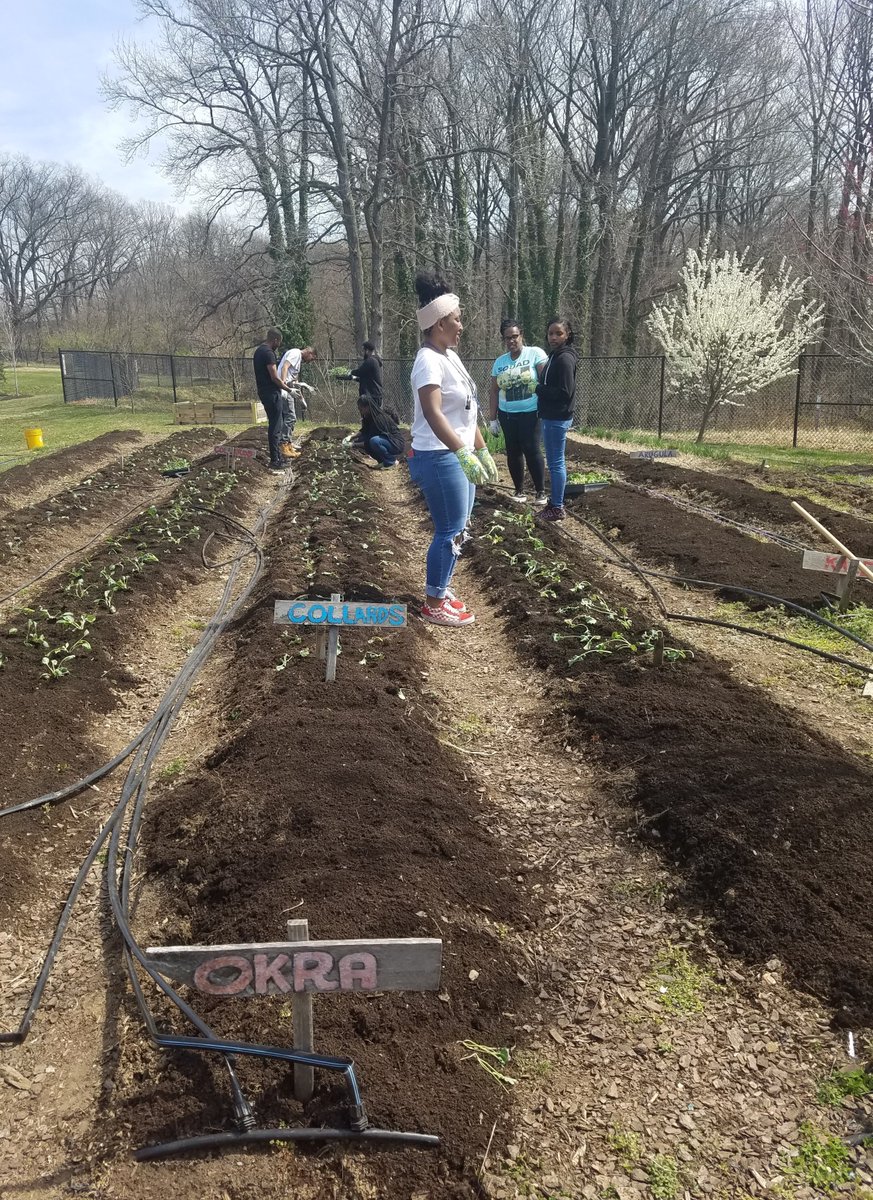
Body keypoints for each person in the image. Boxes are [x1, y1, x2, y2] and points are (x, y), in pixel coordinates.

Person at [408, 271, 499, 627]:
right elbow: (432, 413)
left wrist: (481, 449)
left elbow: (466, 410)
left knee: (461, 527)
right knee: (449, 529)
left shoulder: (450, 356)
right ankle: (432, 602)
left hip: (457, 452)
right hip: (438, 455)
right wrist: (462, 452)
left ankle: (442, 588)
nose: (461, 326)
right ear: (438, 323)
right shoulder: (427, 359)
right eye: (456, 320)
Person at [488, 319, 548, 505]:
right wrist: (493, 418)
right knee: (513, 452)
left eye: (515, 336)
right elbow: (494, 391)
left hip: (531, 412)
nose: (512, 341)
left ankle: (540, 492)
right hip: (507, 415)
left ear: (521, 335)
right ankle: (519, 490)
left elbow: (545, 381)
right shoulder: (500, 362)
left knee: (531, 449)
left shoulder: (535, 354)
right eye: (508, 338)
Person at [535, 316, 578, 521]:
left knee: (556, 463)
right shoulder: (556, 355)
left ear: (567, 335)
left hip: (556, 417)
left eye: (558, 333)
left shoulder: (564, 359)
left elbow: (565, 392)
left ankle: (557, 506)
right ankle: (555, 503)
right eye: (551, 333)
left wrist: (538, 389)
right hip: (551, 416)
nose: (553, 337)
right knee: (555, 462)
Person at [252, 329, 304, 473]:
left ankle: (276, 458)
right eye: (279, 342)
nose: (278, 345)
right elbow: (275, 377)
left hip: (263, 391)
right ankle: (275, 461)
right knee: (276, 426)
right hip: (271, 394)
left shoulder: (258, 351)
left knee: (274, 425)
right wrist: (288, 390)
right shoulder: (269, 354)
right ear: (275, 340)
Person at [277, 345, 318, 458]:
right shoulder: (295, 353)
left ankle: (289, 444)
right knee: (290, 417)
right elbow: (284, 367)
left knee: (291, 417)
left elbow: (295, 381)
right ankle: (284, 445)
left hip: (289, 388)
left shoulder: (298, 359)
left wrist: (302, 399)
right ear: (310, 353)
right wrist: (284, 386)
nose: (310, 362)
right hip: (285, 389)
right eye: (312, 359)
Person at [345, 397, 404, 467]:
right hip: (386, 441)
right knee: (364, 440)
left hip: (395, 443)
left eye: (361, 409)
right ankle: (383, 461)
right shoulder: (369, 417)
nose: (360, 412)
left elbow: (368, 441)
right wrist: (351, 437)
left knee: (374, 441)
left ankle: (391, 461)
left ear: (367, 407)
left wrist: (353, 445)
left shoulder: (379, 419)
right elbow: (364, 430)